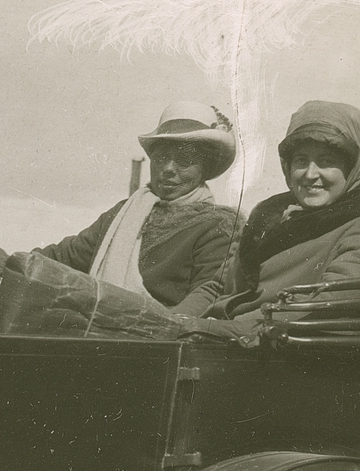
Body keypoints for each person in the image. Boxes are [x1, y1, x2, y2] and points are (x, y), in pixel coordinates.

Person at [200, 100, 360, 328]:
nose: (310, 174)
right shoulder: (267, 215)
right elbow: (215, 288)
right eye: (301, 160)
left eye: (327, 161)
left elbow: (325, 307)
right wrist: (165, 322)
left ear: (352, 168)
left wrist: (206, 328)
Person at [37, 102, 240, 316]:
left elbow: (206, 298)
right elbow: (66, 256)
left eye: (184, 159)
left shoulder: (218, 227)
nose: (168, 169)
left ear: (205, 167)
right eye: (161, 157)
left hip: (158, 340)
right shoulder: (123, 214)